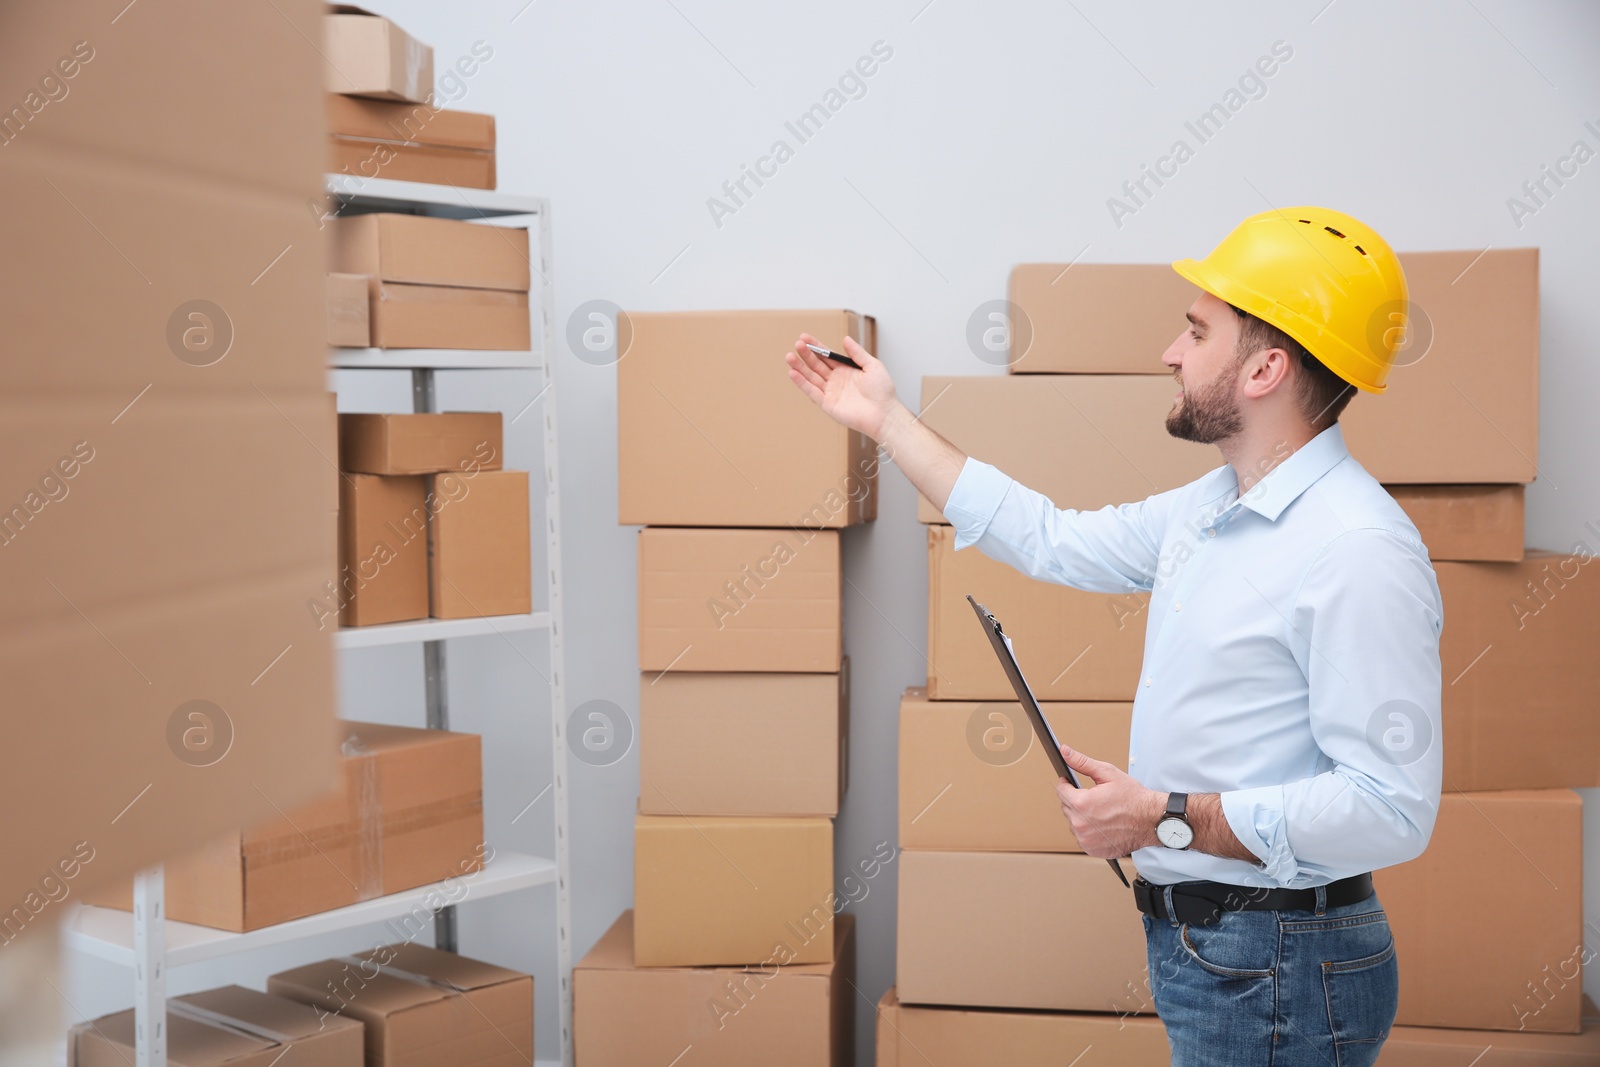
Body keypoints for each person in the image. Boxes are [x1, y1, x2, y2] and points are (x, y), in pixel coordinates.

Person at [784, 207, 1443, 1066]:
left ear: (1266, 367)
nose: (1172, 351)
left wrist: (1162, 816)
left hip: (1279, 965)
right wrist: (886, 421)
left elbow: (1390, 809)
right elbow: (1053, 537)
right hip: (1223, 955)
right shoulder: (1216, 507)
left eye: (1198, 331)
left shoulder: (1356, 551)